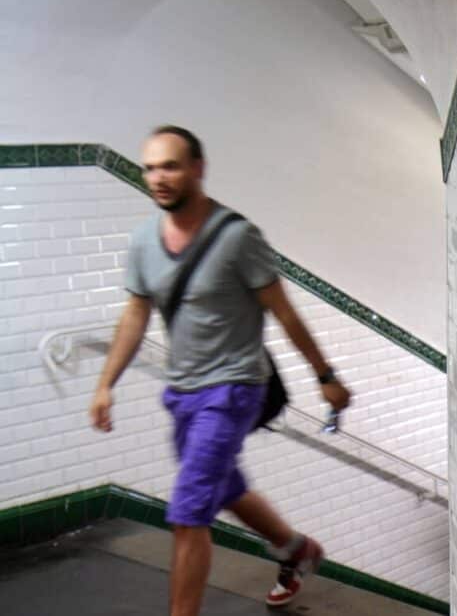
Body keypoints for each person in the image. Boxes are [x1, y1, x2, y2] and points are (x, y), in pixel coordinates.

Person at [88, 126, 351, 614]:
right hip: (183, 391)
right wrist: (106, 384)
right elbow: (135, 314)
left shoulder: (237, 238)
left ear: (197, 169)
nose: (158, 177)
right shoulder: (145, 240)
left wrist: (326, 375)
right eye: (150, 167)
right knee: (222, 484)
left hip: (234, 390)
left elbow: (284, 311)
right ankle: (296, 550)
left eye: (170, 166)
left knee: (190, 513)